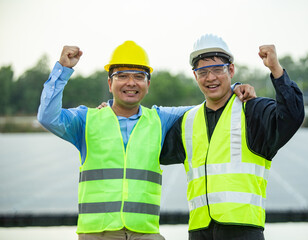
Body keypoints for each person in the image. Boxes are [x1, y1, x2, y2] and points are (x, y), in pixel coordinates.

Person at [37, 40, 256, 239]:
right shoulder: (86, 120)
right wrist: (62, 70)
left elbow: (208, 106)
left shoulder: (160, 119)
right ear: (109, 83)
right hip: (97, 233)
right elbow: (48, 116)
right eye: (122, 76)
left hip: (145, 233)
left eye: (139, 77)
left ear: (148, 84)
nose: (131, 83)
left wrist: (234, 89)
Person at [160, 34, 305, 240]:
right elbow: (150, 147)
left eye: (218, 70)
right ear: (195, 76)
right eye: (203, 72)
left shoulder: (252, 112)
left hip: (244, 230)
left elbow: (292, 115)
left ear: (231, 70)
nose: (210, 78)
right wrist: (112, 113)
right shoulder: (187, 121)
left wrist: (276, 70)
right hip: (199, 231)